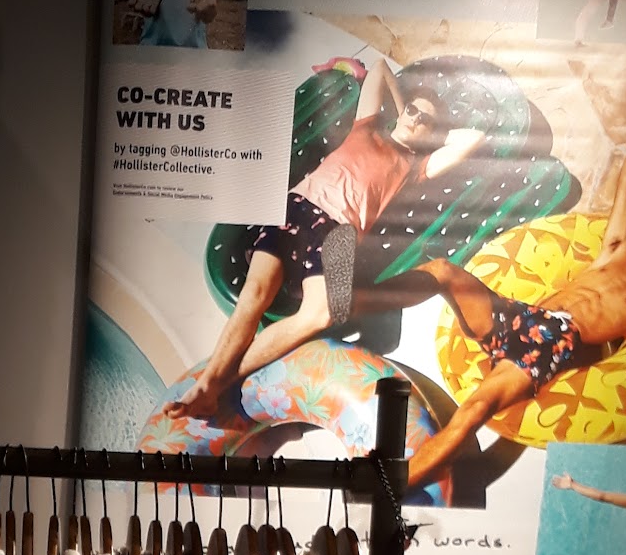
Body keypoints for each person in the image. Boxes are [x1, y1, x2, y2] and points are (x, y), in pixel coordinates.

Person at [376, 107, 626, 491]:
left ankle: (395, 485)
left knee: (473, 411)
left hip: (551, 342)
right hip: (520, 315)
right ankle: (355, 303)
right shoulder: (617, 249)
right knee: (442, 270)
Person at [163, 54, 488, 421]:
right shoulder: (367, 127)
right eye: (413, 110)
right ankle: (207, 385)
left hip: (339, 235)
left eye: (424, 120)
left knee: (322, 313)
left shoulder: (417, 166)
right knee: (256, 294)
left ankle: (217, 384)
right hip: (299, 206)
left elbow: (473, 139)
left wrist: (432, 132)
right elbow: (380, 68)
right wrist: (404, 109)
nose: (415, 118)